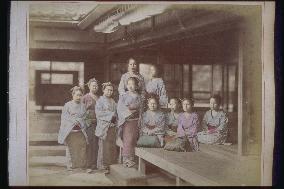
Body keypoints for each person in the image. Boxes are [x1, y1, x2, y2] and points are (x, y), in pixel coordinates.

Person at [58, 86, 89, 171]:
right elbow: (64, 118)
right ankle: (70, 166)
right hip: (70, 131)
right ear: (73, 94)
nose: (79, 97)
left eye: (80, 95)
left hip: (80, 130)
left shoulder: (83, 106)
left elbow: (85, 117)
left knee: (81, 148)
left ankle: (80, 165)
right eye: (77, 95)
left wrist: (79, 120)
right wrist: (73, 120)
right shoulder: (67, 105)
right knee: (70, 148)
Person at [117, 77, 143, 168]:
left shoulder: (139, 96)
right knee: (128, 139)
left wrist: (138, 115)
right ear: (126, 85)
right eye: (129, 84)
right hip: (127, 121)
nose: (131, 86)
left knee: (134, 139)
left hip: (136, 121)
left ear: (136, 86)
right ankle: (126, 159)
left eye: (133, 84)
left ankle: (133, 159)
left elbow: (141, 109)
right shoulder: (123, 96)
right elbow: (120, 108)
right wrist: (129, 112)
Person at [95, 82, 118, 173]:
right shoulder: (99, 101)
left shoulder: (113, 101)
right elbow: (99, 114)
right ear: (103, 90)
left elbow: (116, 114)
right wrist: (111, 115)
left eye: (111, 90)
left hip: (112, 127)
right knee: (103, 147)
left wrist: (115, 118)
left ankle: (110, 164)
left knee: (111, 146)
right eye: (108, 90)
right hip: (104, 127)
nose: (109, 92)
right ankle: (102, 166)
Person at [82, 78, 99, 173]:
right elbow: (81, 111)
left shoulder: (99, 98)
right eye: (93, 86)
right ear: (89, 86)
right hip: (89, 123)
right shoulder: (85, 97)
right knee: (89, 143)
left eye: (96, 86)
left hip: (98, 123)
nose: (95, 87)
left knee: (96, 145)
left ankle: (94, 164)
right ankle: (88, 165)